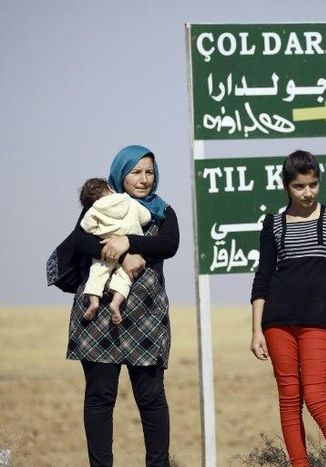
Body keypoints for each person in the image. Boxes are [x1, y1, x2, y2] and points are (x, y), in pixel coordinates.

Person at [66, 145, 179, 467]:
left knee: (152, 398)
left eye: (149, 172)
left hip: (147, 316)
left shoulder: (162, 209)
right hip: (99, 314)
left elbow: (169, 244)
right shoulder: (101, 204)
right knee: (100, 398)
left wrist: (130, 242)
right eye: (136, 172)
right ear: (120, 174)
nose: (144, 179)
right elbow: (80, 239)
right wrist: (122, 255)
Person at [250, 150, 326, 467]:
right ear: (286, 186)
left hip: (319, 322)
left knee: (316, 397)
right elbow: (263, 278)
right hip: (277, 322)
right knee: (289, 398)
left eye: (313, 184)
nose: (307, 193)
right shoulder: (273, 224)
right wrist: (256, 329)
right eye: (299, 187)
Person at [78, 177, 152, 324]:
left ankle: (94, 302)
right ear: (111, 189)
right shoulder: (130, 202)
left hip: (106, 251)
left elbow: (87, 227)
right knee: (125, 277)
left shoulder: (94, 210)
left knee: (97, 273)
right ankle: (116, 303)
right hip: (132, 251)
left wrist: (102, 233)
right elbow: (146, 218)